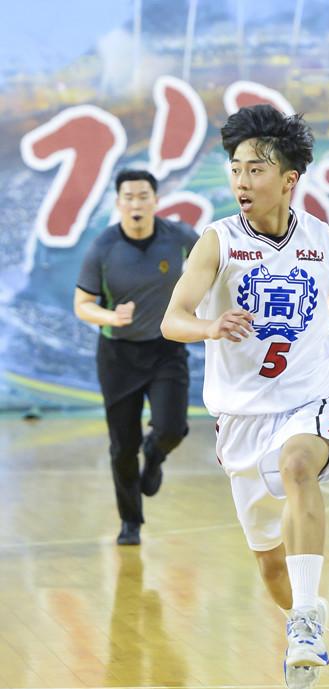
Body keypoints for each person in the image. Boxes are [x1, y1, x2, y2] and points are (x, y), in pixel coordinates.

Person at [161, 106, 329, 689]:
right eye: (235, 169)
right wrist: (209, 327)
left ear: (288, 179)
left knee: (298, 465)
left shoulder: (323, 239)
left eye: (255, 170)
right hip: (241, 416)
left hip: (314, 393)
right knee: (269, 564)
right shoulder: (218, 242)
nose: (241, 181)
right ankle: (302, 617)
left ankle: (306, 616)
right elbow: (173, 319)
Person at [74, 169, 199, 546]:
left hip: (166, 347)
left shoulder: (179, 237)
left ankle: (155, 453)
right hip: (119, 356)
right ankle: (130, 522)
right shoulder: (103, 247)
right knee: (122, 446)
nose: (136, 203)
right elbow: (82, 304)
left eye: (143, 196)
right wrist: (110, 317)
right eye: (128, 197)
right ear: (118, 203)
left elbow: (214, 266)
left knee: (172, 428)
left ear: (156, 200)